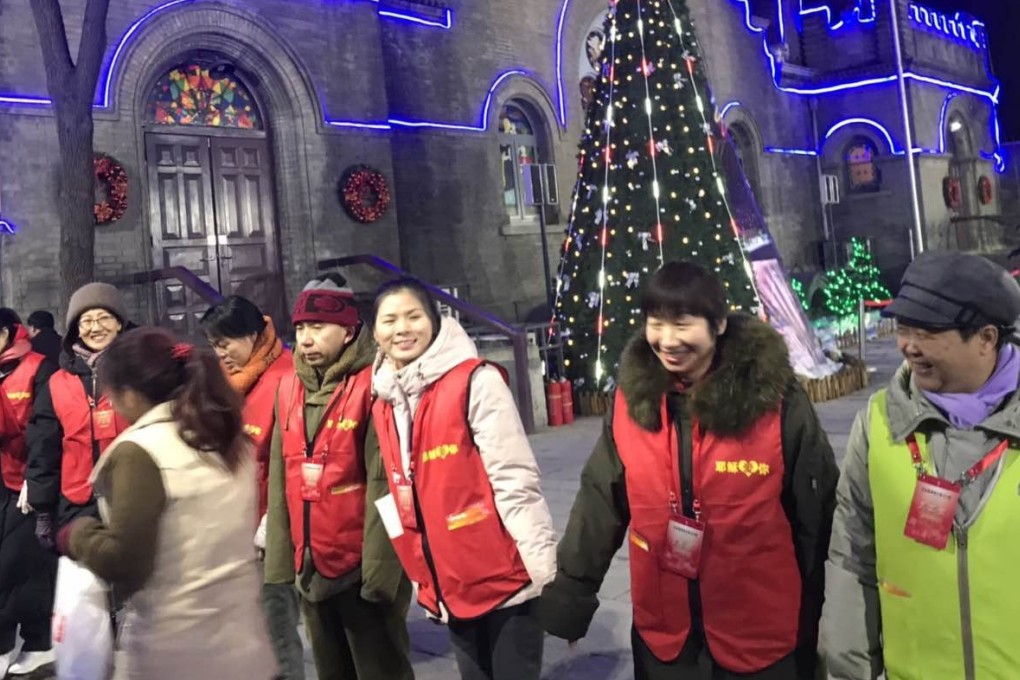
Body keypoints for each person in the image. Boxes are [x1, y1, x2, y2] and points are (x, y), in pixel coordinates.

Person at [536, 261, 838, 680]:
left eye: (683, 324)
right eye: (655, 324)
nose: (668, 340)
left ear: (717, 325)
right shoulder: (632, 404)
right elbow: (600, 501)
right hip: (665, 637)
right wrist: (572, 592)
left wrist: (829, 616)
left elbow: (818, 514)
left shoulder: (776, 402)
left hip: (761, 636)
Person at [821, 252, 1020, 680]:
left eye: (927, 331)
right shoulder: (878, 424)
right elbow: (852, 554)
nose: (908, 345)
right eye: (904, 329)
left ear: (986, 338)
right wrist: (846, 669)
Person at [58, 327, 276, 679]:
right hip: (244, 646)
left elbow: (125, 561)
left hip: (176, 652)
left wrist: (78, 534)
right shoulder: (225, 435)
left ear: (129, 394)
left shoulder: (142, 451)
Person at [371, 277, 556, 680]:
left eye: (413, 316)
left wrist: (545, 576)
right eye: (389, 320)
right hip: (449, 583)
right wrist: (424, 579)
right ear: (375, 332)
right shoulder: (384, 402)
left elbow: (514, 479)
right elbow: (404, 499)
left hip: (506, 579)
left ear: (435, 322)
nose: (402, 328)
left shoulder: (475, 381)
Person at [264, 274, 413, 680]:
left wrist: (380, 575)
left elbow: (384, 484)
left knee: (381, 670)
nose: (306, 338)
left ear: (348, 331)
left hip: (360, 568)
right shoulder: (287, 389)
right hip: (310, 565)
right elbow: (281, 482)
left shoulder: (374, 386)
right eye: (299, 328)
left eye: (317, 327)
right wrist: (282, 564)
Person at [201, 295, 304, 680]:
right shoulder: (229, 383)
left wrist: (268, 527)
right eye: (213, 345)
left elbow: (289, 461)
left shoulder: (287, 378)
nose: (220, 353)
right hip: (231, 527)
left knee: (275, 633)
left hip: (267, 535)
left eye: (225, 343)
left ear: (251, 335)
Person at [25, 283, 131, 546]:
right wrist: (43, 508)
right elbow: (43, 447)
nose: (95, 328)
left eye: (104, 317)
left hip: (133, 497)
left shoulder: (140, 371)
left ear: (119, 323)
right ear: (76, 330)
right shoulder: (58, 382)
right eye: (86, 321)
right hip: (77, 504)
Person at [0, 309, 57, 676]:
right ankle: (39, 642)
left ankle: (5, 644)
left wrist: (35, 481)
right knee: (28, 569)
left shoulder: (38, 368)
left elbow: (44, 430)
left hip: (24, 482)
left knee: (12, 565)